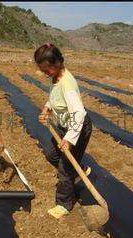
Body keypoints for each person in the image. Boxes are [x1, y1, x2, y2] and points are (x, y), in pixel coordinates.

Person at [35, 43, 92, 219]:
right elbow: (53, 99)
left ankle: (63, 204)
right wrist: (46, 109)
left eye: (47, 70)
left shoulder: (67, 84)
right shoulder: (56, 78)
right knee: (51, 155)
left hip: (77, 128)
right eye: (42, 70)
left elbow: (79, 114)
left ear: (58, 62)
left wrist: (69, 139)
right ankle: (79, 171)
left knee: (65, 168)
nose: (45, 73)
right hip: (63, 126)